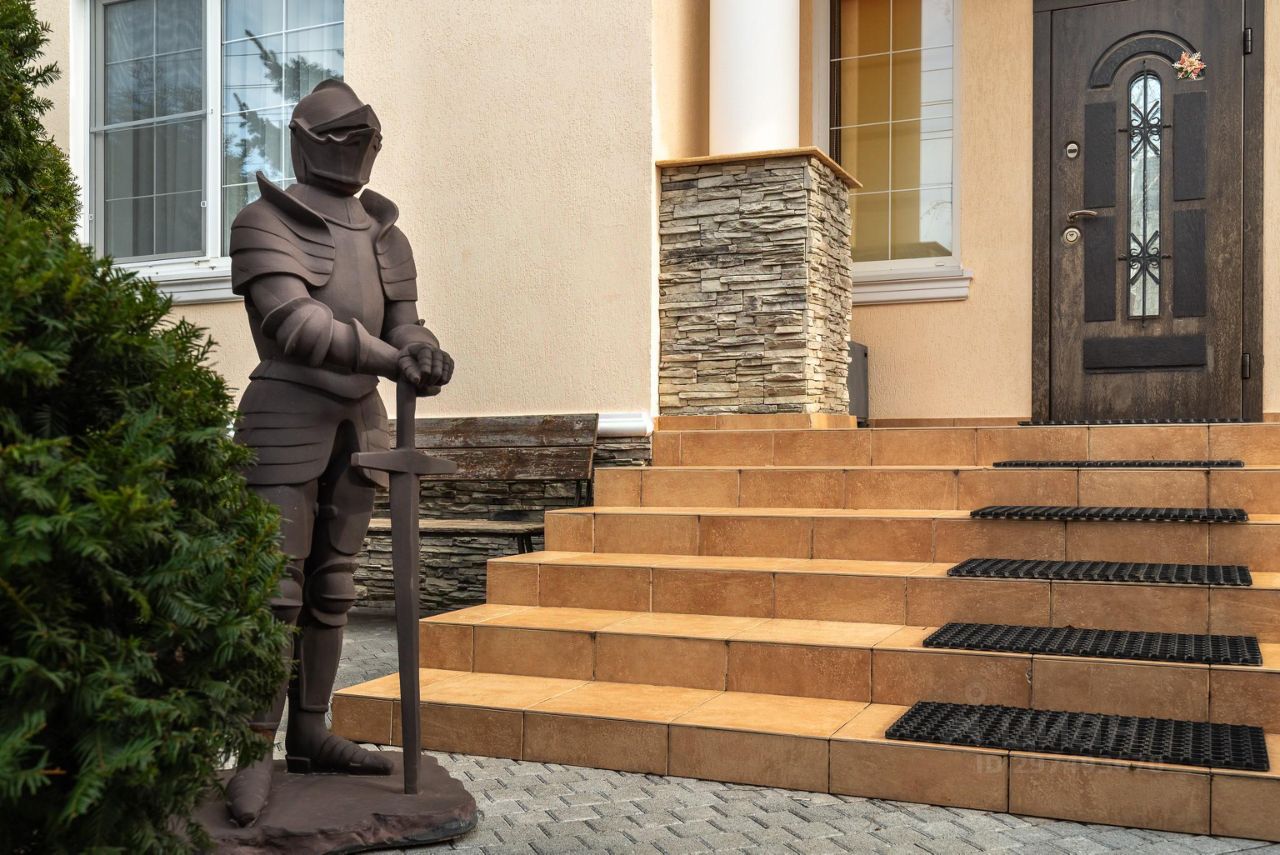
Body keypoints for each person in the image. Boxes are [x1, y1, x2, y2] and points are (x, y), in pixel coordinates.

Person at [224, 79, 453, 826]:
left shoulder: (386, 235)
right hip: (285, 414)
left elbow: (404, 319)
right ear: (303, 141)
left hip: (361, 421)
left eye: (367, 139)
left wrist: (423, 349)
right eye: (344, 137)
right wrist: (392, 358)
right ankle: (252, 747)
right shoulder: (264, 220)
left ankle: (311, 731)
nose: (358, 151)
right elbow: (294, 321)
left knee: (335, 585)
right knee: (273, 590)